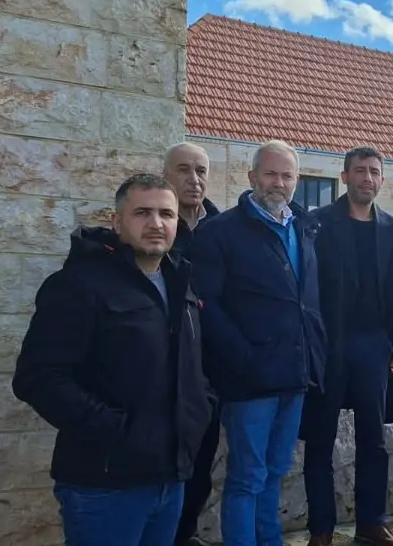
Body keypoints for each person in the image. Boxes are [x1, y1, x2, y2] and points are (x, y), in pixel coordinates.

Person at [12, 173, 215, 546]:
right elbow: (37, 377)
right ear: (118, 222)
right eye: (142, 213)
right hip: (104, 484)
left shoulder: (180, 282)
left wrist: (200, 410)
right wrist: (115, 429)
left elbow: (191, 363)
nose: (156, 224)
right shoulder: (80, 285)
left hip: (170, 478)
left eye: (166, 214)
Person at [190, 140, 327, 546]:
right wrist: (244, 357)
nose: (278, 183)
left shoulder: (304, 228)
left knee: (275, 472)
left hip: (294, 374)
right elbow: (207, 304)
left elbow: (308, 300)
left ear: (297, 180)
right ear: (252, 177)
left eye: (287, 176)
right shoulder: (221, 232)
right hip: (248, 379)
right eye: (270, 174)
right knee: (247, 477)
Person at [300, 146, 393, 546]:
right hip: (327, 345)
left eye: (374, 172)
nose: (367, 178)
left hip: (372, 345)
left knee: (373, 440)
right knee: (320, 440)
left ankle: (371, 523)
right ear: (344, 177)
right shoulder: (317, 223)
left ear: (382, 179)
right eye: (359, 171)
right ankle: (321, 530)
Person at [162, 142, 222, 546]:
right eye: (183, 170)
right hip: (165, 367)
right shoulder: (156, 229)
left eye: (200, 170)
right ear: (166, 175)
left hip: (211, 369)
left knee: (203, 464)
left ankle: (185, 535)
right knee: (167, 464)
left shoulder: (222, 227)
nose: (194, 179)